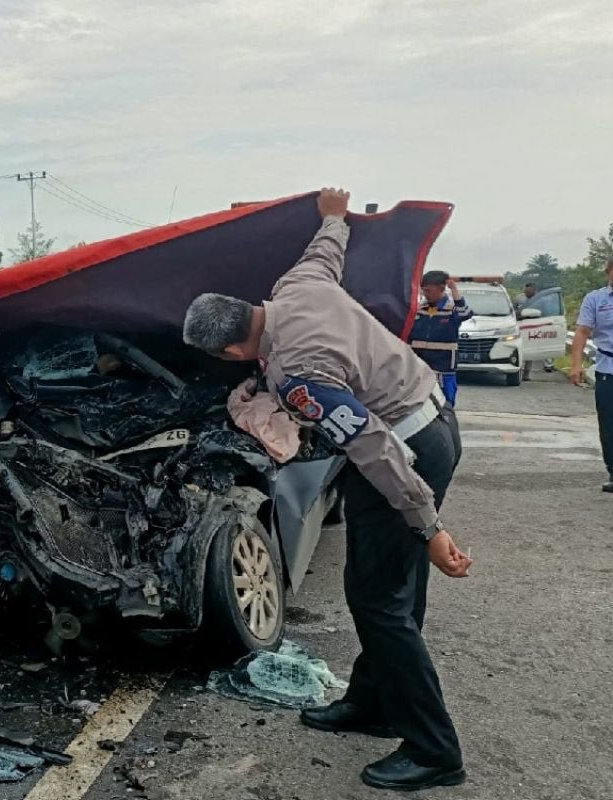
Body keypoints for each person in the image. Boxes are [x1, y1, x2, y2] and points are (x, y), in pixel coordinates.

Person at [182, 188, 474, 792]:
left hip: (407, 447)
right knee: (381, 586)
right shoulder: (297, 287)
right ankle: (373, 702)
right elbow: (325, 251)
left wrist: (429, 528)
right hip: (428, 416)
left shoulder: (299, 376)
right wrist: (334, 216)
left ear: (233, 350)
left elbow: (373, 447)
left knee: (381, 601)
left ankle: (434, 748)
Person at [570, 257, 613, 493]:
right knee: (608, 424)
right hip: (608, 369)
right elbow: (582, 332)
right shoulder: (596, 299)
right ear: (608, 272)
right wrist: (576, 364)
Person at [408, 271, 473, 405]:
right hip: (419, 365)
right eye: (424, 290)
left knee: (445, 401)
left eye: (429, 290)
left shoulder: (451, 310)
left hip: (443, 366)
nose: (426, 294)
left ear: (441, 289)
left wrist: (454, 289)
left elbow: (465, 313)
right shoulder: (419, 310)